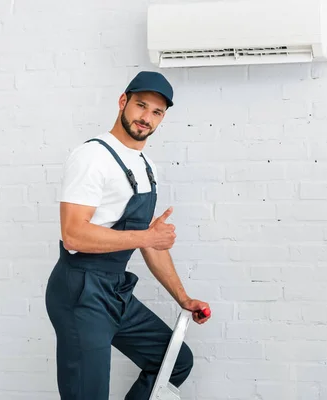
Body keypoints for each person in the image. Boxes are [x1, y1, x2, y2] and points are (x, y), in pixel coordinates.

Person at [45, 71, 211, 400]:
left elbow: (148, 239)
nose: (146, 117)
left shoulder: (145, 164)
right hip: (80, 290)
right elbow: (73, 235)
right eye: (141, 106)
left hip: (114, 290)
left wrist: (183, 297)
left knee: (174, 361)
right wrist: (146, 238)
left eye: (156, 112)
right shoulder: (92, 157)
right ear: (123, 102)